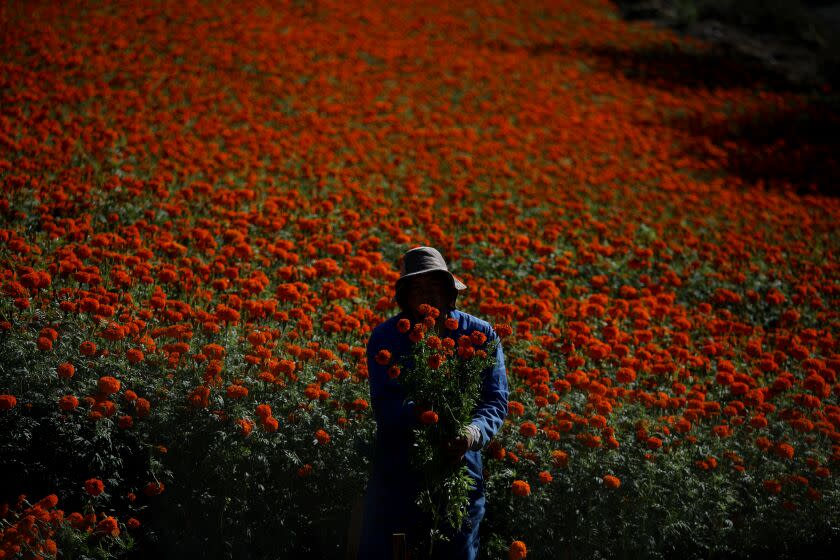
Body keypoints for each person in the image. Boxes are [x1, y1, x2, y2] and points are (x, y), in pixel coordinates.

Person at [356, 246, 509, 560]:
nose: (427, 295)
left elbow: (495, 400)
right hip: (400, 468)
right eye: (417, 287)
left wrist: (470, 433)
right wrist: (426, 418)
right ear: (404, 296)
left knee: (456, 550)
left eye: (435, 286)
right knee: (387, 550)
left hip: (460, 466)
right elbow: (385, 405)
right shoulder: (386, 338)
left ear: (450, 291)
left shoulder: (480, 333)